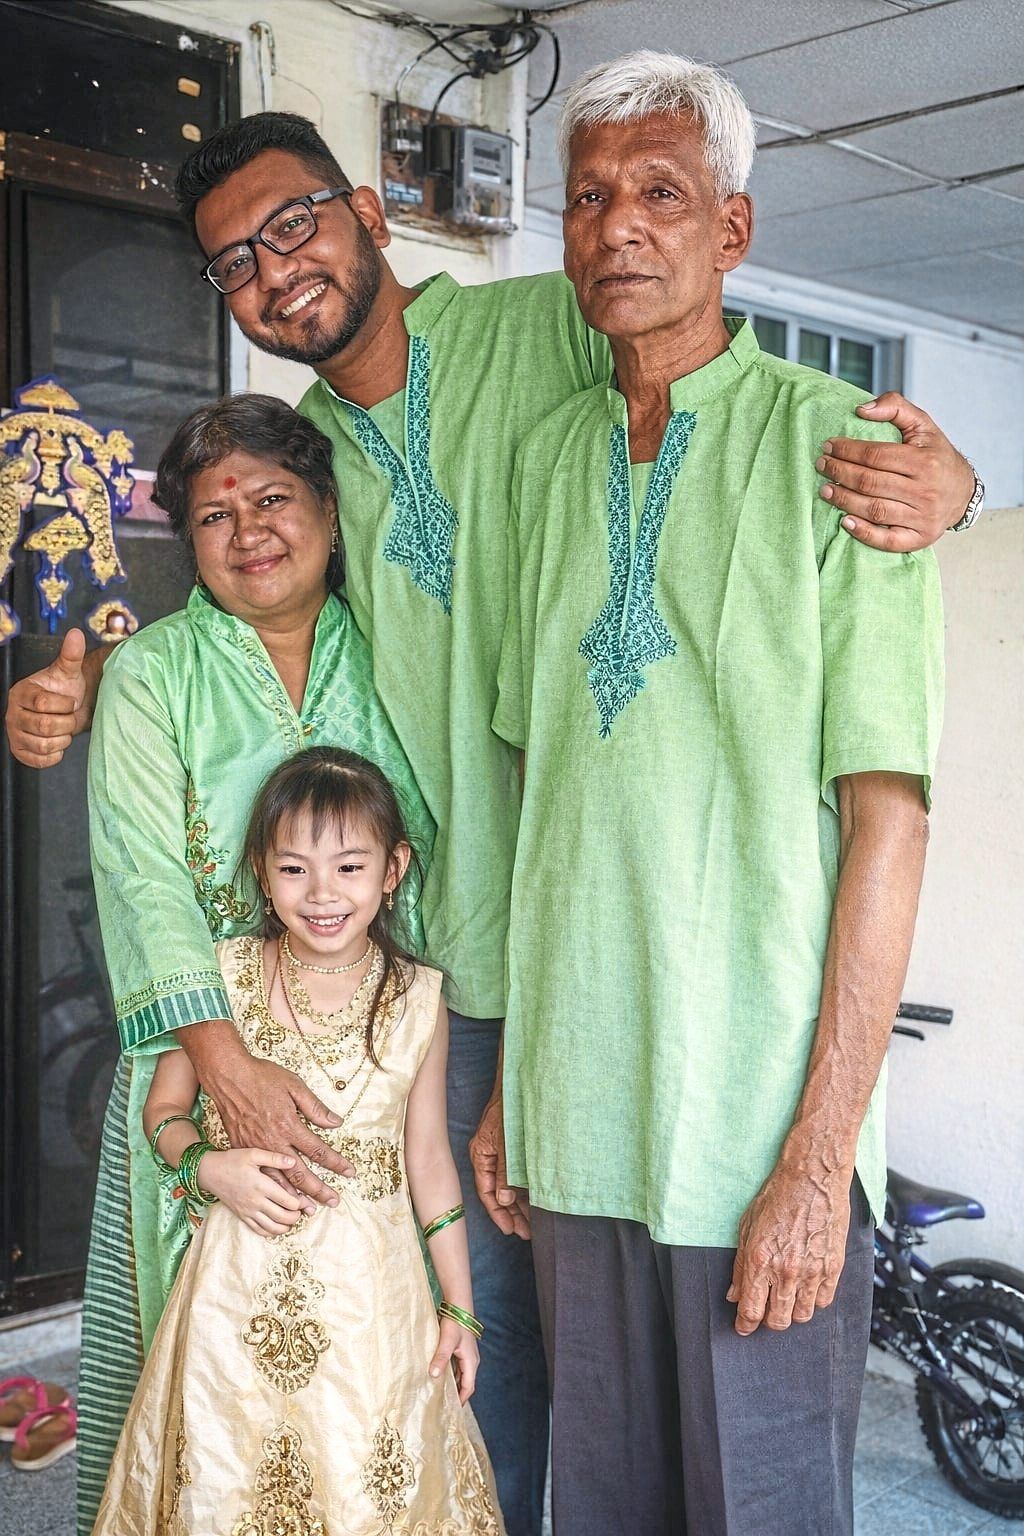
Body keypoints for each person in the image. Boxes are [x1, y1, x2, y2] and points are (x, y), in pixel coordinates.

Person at [3, 106, 977, 1536]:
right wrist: (73, 676)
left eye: (293, 226)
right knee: (462, 1344)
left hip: (601, 962)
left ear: (369, 214)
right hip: (429, 976)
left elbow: (700, 355)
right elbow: (254, 649)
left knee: (641, 1376)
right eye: (233, 268)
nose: (275, 275)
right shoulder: (310, 456)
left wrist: (942, 495)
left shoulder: (548, 330)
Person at [488, 52, 944, 1535]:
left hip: (752, 1135)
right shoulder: (547, 465)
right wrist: (509, 1093)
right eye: (589, 197)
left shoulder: (846, 451)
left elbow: (891, 825)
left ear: (732, 234)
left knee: (762, 1507)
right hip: (575, 1124)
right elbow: (536, 797)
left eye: (662, 195)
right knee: (603, 1504)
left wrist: (820, 1158)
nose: (617, 227)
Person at [78, 395, 434, 1530]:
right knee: (203, 1404)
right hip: (201, 1069)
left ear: (328, 508)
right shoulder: (153, 674)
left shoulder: (395, 648)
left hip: (377, 1073)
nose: (249, 531)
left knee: (365, 1396)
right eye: (214, 516)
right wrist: (225, 1068)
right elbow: (142, 876)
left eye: (273, 498)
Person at [93, 746, 502, 1535]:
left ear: (393, 869)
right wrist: (210, 1168)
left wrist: (460, 1309)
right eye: (294, 870)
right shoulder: (223, 975)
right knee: (226, 1486)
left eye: (350, 867)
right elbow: (165, 1110)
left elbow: (428, 1161)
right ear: (260, 870)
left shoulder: (418, 998)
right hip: (232, 1302)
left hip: (374, 1308)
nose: (322, 894)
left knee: (365, 1494)